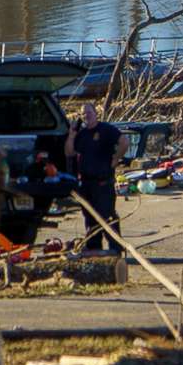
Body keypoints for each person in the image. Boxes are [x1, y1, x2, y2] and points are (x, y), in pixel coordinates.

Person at [65, 101, 123, 253]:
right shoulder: (82, 134)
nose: (86, 116)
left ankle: (115, 249)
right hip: (86, 183)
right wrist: (71, 135)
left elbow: (124, 141)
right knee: (90, 218)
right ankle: (94, 249)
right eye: (83, 114)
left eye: (89, 113)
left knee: (107, 216)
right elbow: (69, 152)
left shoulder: (106, 130)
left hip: (103, 183)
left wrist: (116, 159)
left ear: (95, 114)